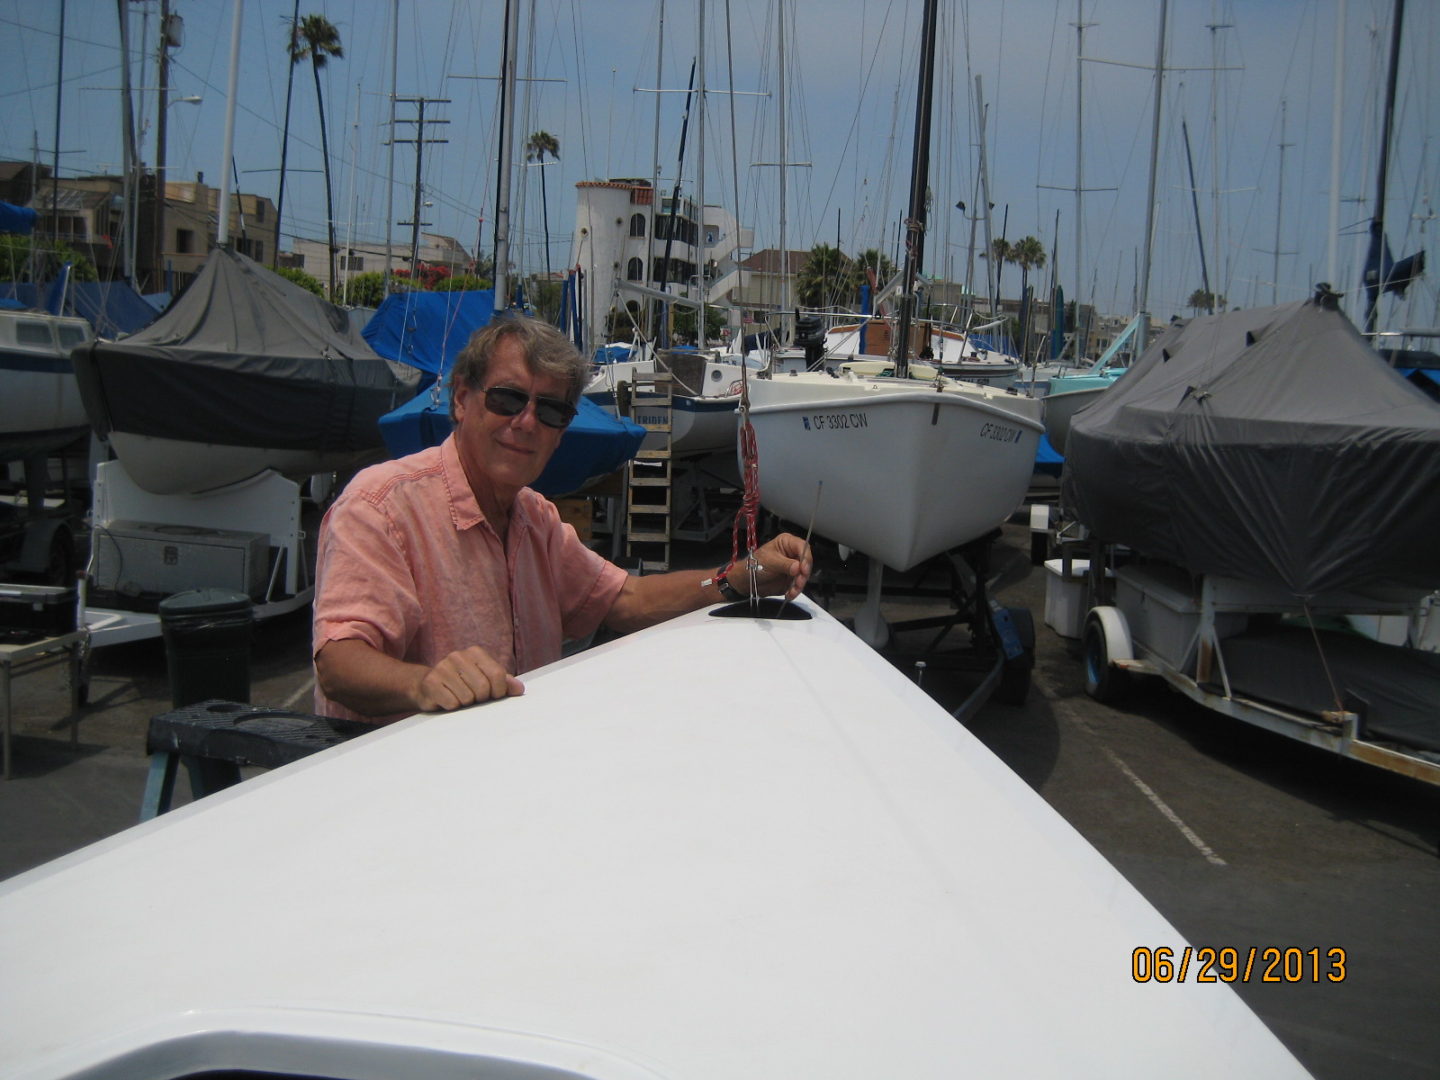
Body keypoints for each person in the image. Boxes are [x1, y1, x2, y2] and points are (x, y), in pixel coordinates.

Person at [312, 316, 812, 724]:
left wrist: (740, 576)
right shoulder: (380, 506)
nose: (526, 422)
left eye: (550, 411)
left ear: (561, 431)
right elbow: (339, 662)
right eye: (507, 399)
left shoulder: (536, 518)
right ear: (462, 399)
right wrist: (421, 683)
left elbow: (627, 600)